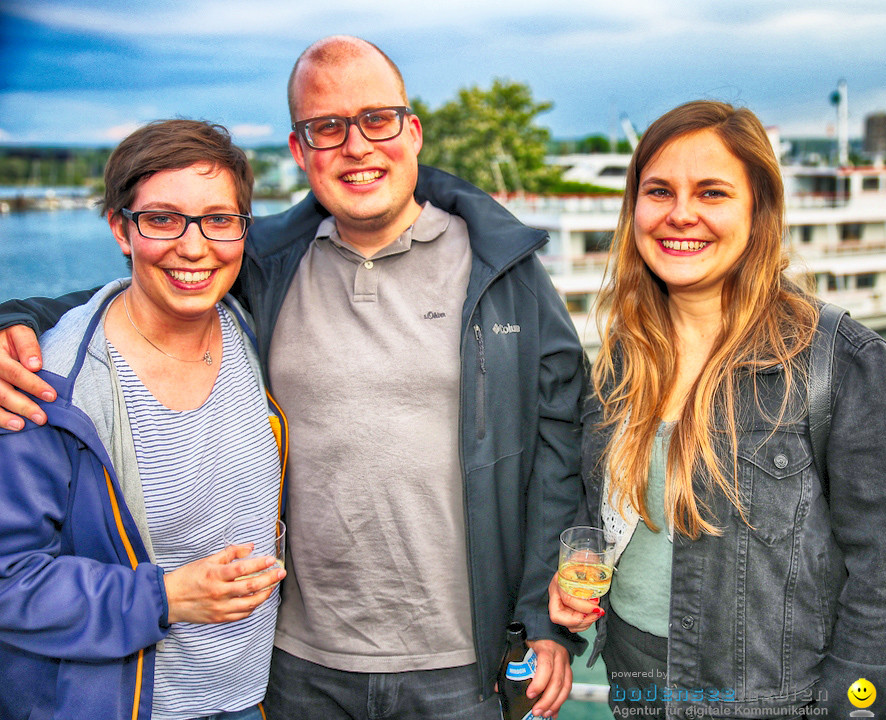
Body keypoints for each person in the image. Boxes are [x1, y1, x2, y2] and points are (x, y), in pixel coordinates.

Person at [0, 36, 585, 720]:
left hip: (463, 666)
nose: (357, 146)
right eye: (326, 128)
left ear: (412, 131)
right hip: (294, 667)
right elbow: (153, 287)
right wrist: (15, 316)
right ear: (300, 148)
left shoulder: (505, 274)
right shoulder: (268, 265)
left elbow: (559, 450)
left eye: (377, 120)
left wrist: (543, 626)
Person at [547, 101, 886, 719]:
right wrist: (572, 575)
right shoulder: (626, 356)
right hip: (637, 689)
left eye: (712, 192)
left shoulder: (840, 360)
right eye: (658, 191)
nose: (680, 214)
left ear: (759, 213)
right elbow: (595, 506)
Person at [0, 119, 287, 720]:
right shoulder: (46, 384)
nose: (193, 245)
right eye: (162, 219)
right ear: (119, 228)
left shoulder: (254, 329)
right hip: (126, 705)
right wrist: (165, 597)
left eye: (218, 218)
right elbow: (9, 580)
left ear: (242, 229)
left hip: (252, 699)